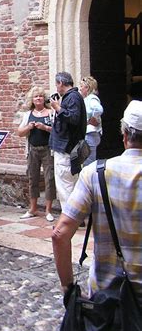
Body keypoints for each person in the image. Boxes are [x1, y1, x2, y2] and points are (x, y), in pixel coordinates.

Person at [52, 99, 142, 307]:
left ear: (125, 135)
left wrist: (68, 288)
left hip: (109, 296)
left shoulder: (95, 174)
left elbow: (59, 234)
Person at [17, 86, 56, 221]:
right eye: (35, 96)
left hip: (47, 149)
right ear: (32, 100)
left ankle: (48, 210)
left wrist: (45, 127)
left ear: (43, 98)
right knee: (33, 178)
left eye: (40, 96)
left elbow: (57, 131)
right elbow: (20, 132)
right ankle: (32, 208)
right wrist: (29, 127)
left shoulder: (51, 113)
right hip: (33, 149)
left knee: (49, 179)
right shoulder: (28, 115)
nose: (38, 98)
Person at [48, 72, 86, 207]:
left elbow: (73, 119)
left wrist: (57, 108)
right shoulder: (71, 97)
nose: (56, 88)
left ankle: (69, 220)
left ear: (61, 83)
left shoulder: (73, 97)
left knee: (65, 186)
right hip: (67, 148)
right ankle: (75, 218)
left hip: (66, 149)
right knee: (71, 184)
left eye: (56, 84)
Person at [79, 76, 103, 166]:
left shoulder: (92, 98)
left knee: (89, 163)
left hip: (90, 134)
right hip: (89, 134)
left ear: (87, 87)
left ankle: (90, 179)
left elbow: (98, 109)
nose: (80, 88)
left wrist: (93, 118)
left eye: (81, 86)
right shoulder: (86, 99)